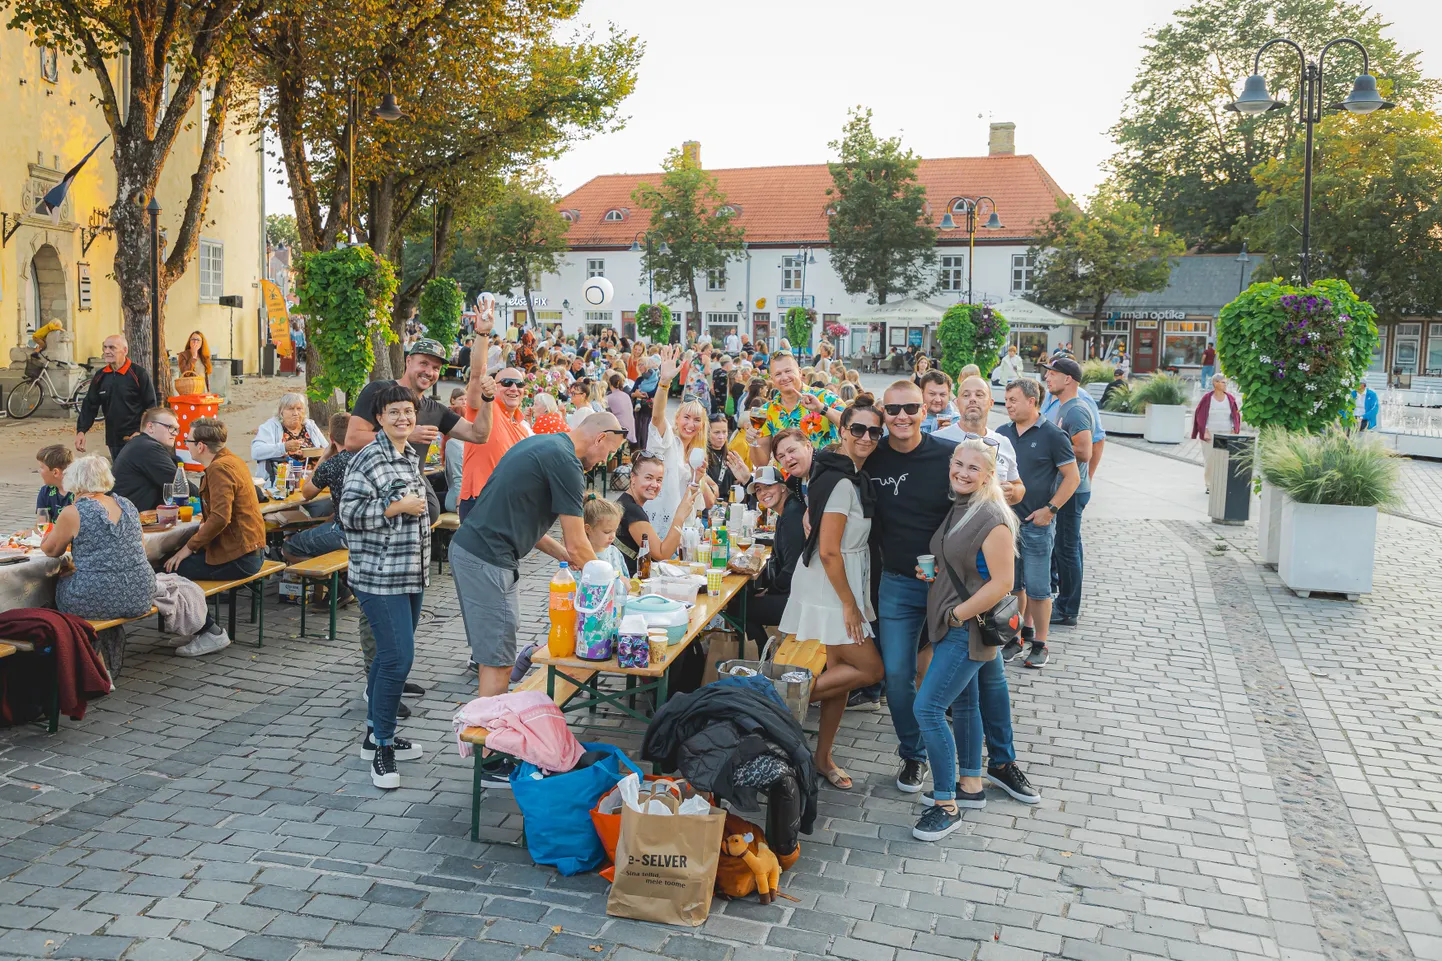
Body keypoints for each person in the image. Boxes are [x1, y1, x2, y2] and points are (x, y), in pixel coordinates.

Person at [450, 416, 626, 775]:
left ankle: (494, 748)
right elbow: (580, 543)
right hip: (487, 559)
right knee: (497, 662)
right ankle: (493, 761)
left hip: (477, 552)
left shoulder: (544, 444)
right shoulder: (567, 463)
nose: (607, 461)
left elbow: (525, 522)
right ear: (600, 438)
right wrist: (613, 588)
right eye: (610, 451)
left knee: (495, 657)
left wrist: (567, 558)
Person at [910, 437, 1028, 840]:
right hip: (955, 622)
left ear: (989, 475)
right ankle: (971, 785)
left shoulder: (992, 516)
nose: (962, 472)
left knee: (927, 709)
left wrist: (958, 613)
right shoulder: (963, 505)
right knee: (966, 704)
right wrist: (935, 573)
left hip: (967, 629)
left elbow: (1004, 582)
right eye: (957, 464)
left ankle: (946, 804)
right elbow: (966, 565)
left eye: (972, 468)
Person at [778, 400, 885, 791]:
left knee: (840, 673)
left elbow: (818, 462)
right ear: (843, 431)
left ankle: (822, 756)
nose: (866, 438)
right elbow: (828, 549)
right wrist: (849, 604)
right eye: (857, 429)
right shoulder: (841, 481)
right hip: (831, 582)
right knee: (871, 670)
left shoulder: (836, 466)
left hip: (838, 577)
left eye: (875, 432)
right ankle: (780, 701)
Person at [862, 379, 960, 784]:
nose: (902, 416)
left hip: (947, 584)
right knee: (897, 675)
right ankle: (912, 753)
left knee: (954, 677)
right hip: (898, 582)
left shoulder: (949, 455)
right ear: (883, 413)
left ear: (927, 410)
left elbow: (980, 500)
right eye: (893, 409)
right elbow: (828, 464)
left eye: (911, 408)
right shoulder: (872, 456)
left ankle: (972, 759)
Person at [337, 384, 432, 790]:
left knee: (387, 660)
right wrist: (397, 507)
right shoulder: (368, 459)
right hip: (380, 577)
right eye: (394, 412)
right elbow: (349, 514)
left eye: (408, 412)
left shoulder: (409, 455)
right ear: (379, 418)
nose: (403, 419)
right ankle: (383, 749)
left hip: (411, 574)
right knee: (397, 661)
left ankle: (373, 734)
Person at [349, 336, 496, 521]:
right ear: (408, 361)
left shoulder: (436, 410)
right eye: (424, 363)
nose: (429, 372)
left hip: (413, 493)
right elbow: (352, 440)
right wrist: (405, 436)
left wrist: (488, 399)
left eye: (435, 368)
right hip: (377, 490)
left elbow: (479, 434)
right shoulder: (379, 390)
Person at [161, 418, 268, 654]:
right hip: (247, 550)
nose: (185, 445)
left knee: (171, 571)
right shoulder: (229, 460)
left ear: (200, 446)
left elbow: (220, 518)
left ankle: (210, 632)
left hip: (243, 557)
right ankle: (195, 627)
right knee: (172, 562)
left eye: (188, 440)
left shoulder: (220, 468)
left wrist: (188, 547)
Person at [996, 379, 1080, 669]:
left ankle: (1041, 644)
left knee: (1038, 588)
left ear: (1032, 401)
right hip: (1007, 524)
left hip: (1036, 524)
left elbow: (1073, 477)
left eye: (1013, 399)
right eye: (1006, 399)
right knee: (1013, 586)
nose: (1007, 404)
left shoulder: (1053, 435)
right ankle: (1015, 638)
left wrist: (1051, 510)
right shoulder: (1001, 434)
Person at [42, 455, 156, 623]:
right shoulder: (127, 504)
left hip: (97, 597)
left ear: (75, 481)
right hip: (141, 593)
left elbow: (51, 550)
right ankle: (107, 647)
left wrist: (46, 533)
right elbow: (139, 548)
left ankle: (73, 644)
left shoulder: (74, 511)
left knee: (54, 587)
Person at [1041, 359, 1094, 629]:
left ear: (1069, 379)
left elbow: (1085, 451)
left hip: (1071, 490)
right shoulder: (1063, 407)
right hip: (1067, 487)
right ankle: (1066, 602)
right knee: (1069, 547)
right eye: (1047, 374)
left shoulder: (1075, 410)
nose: (1047, 378)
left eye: (1053, 374)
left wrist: (1051, 449)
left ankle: (1067, 608)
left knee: (1066, 549)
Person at [645, 345, 716, 536]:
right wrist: (664, 383)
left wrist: (698, 478)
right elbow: (657, 417)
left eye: (696, 420)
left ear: (702, 425)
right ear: (677, 418)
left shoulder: (696, 454)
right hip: (660, 528)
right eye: (686, 417)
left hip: (686, 530)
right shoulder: (668, 442)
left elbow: (707, 503)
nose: (690, 424)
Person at [738, 465, 804, 653]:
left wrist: (770, 591)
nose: (763, 493)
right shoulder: (787, 511)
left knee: (740, 608)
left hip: (798, 600)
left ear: (783, 486)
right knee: (742, 600)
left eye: (768, 487)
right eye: (758, 489)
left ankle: (765, 653)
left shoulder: (793, 516)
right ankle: (765, 651)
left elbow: (792, 569)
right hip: (793, 592)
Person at [454, 364, 528, 521]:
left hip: (510, 503)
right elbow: (475, 377)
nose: (514, 388)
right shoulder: (487, 407)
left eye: (519, 384)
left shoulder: (522, 427)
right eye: (507, 383)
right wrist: (483, 338)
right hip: (482, 501)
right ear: (493, 387)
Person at [936, 376, 1023, 503]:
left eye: (979, 395)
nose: (972, 399)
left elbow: (1019, 486)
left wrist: (1013, 491)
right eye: (966, 395)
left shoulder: (1003, 442)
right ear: (957, 402)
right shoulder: (938, 439)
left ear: (991, 403)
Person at [749, 350, 844, 465]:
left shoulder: (825, 397)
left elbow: (851, 425)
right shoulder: (764, 411)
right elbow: (761, 463)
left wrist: (822, 409)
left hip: (827, 476)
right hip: (788, 481)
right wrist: (753, 442)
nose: (784, 377)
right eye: (778, 374)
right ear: (772, 379)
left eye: (788, 371)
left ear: (799, 372)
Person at [613, 451, 699, 575]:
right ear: (633, 477)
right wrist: (680, 516)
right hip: (633, 583)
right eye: (648, 478)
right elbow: (662, 554)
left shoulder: (626, 502)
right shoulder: (632, 510)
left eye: (659, 480)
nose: (654, 485)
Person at [282, 412, 353, 563]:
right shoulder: (368, 455)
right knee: (326, 521)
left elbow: (306, 492)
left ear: (331, 438)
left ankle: (330, 584)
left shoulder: (332, 464)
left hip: (346, 534)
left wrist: (324, 456)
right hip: (371, 531)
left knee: (289, 546)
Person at [76, 334, 157, 460]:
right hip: (113, 439)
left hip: (136, 438)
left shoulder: (139, 374)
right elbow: (90, 405)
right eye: (105, 347)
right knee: (118, 475)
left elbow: (151, 407)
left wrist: (141, 432)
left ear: (125, 350)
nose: (107, 351)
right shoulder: (100, 376)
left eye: (112, 348)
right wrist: (81, 431)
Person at [111, 407, 184, 512]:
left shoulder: (141, 444)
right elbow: (179, 486)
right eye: (170, 427)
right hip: (131, 518)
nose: (175, 433)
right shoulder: (149, 448)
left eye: (176, 429)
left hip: (129, 513)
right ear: (150, 427)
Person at [252, 392, 326, 483]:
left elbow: (327, 449)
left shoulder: (310, 426)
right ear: (281, 412)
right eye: (290, 409)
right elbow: (256, 452)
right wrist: (283, 447)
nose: (295, 413)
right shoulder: (270, 427)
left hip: (314, 478)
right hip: (282, 480)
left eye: (299, 409)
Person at [703, 413, 750, 503]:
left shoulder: (731, 456)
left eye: (724, 432)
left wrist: (740, 480)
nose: (721, 437)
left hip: (730, 507)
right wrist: (723, 504)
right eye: (716, 432)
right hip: (710, 508)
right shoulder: (703, 457)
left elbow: (734, 484)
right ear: (707, 433)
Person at [583, 495, 630, 577]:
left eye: (615, 531)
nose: (612, 536)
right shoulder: (581, 557)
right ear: (588, 529)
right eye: (607, 532)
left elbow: (626, 579)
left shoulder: (614, 552)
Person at [35, 445, 75, 522]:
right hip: (51, 533)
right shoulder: (45, 491)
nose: (39, 471)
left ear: (55, 472)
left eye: (42, 467)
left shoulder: (78, 493)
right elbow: (41, 524)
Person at [605, 372, 637, 447]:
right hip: (631, 427)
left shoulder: (610, 398)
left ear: (610, 384)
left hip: (621, 429)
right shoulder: (626, 395)